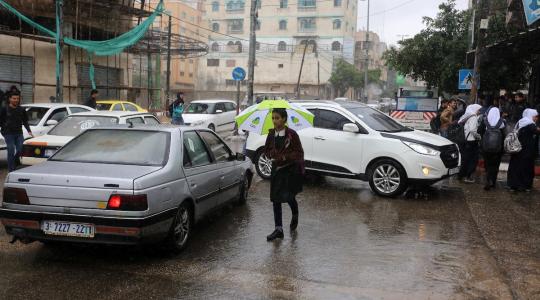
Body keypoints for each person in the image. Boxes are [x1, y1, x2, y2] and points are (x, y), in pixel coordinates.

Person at [264, 108, 304, 241]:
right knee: (276, 199)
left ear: (284, 119)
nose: (275, 121)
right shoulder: (271, 135)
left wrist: (284, 158)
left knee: (288, 197)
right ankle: (278, 229)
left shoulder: (292, 135)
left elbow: (298, 153)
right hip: (276, 171)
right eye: (273, 118)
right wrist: (271, 154)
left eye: (277, 118)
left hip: (289, 171)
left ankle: (295, 213)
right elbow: (266, 150)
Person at [507, 109, 540, 192]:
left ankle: (513, 185)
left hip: (516, 149)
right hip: (526, 151)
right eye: (535, 116)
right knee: (526, 168)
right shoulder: (531, 125)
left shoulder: (520, 122)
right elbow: (536, 132)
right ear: (531, 116)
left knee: (515, 167)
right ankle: (525, 186)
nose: (536, 118)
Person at [0, 91, 33, 172]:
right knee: (10, 149)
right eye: (14, 98)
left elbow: (25, 121)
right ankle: (11, 170)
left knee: (20, 149)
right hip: (8, 133)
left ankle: (14, 163)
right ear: (10, 99)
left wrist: (29, 131)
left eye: (17, 99)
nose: (16, 100)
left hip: (18, 133)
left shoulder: (21, 110)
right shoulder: (4, 109)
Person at [481, 107, 505, 191]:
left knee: (488, 164)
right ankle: (493, 182)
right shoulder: (502, 123)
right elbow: (504, 136)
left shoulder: (485, 122)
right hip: (498, 149)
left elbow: (480, 134)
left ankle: (488, 179)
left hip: (486, 148)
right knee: (495, 165)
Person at [457, 104, 482, 183]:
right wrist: (479, 137)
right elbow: (472, 130)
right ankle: (468, 176)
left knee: (465, 159)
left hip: (466, 141)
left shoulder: (466, 116)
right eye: (478, 110)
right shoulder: (473, 117)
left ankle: (461, 175)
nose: (479, 112)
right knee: (473, 160)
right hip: (472, 141)